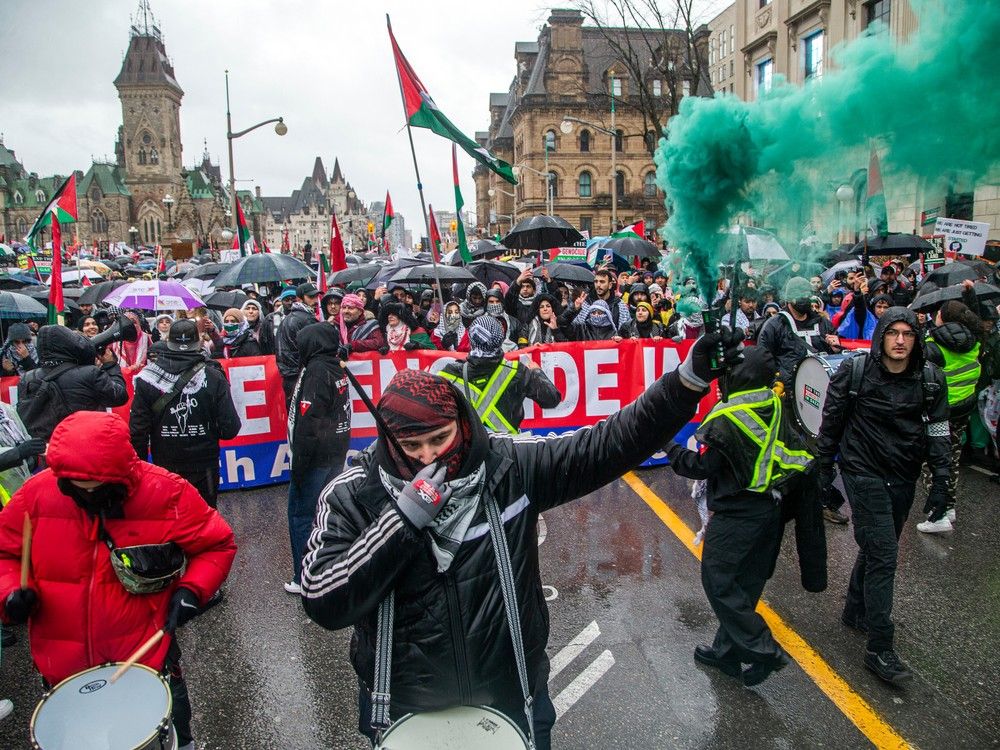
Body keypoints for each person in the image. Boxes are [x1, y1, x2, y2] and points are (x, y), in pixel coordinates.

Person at [300, 327, 743, 748]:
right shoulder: (353, 494)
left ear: (462, 425)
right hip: (404, 710)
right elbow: (321, 597)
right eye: (410, 447)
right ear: (385, 437)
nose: (427, 458)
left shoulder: (510, 465)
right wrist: (401, 521)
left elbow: (607, 444)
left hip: (511, 699)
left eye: (439, 439)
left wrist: (687, 382)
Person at [0, 411, 237, 750]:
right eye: (78, 490)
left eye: (97, 491)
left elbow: (217, 544)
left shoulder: (165, 491)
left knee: (169, 720)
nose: (88, 498)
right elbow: (5, 554)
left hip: (147, 653)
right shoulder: (35, 495)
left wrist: (192, 590)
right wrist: (9, 593)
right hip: (62, 664)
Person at [816, 307, 949, 684]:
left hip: (903, 475)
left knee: (878, 546)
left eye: (908, 334)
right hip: (862, 472)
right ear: (882, 337)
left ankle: (856, 610)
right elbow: (831, 423)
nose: (901, 341)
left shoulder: (931, 380)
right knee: (885, 554)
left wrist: (942, 483)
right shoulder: (854, 372)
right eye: (894, 333)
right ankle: (879, 647)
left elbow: (939, 433)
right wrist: (824, 471)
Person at [665, 347, 812, 686]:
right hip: (769, 509)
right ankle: (727, 653)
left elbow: (702, 466)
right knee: (745, 585)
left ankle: (764, 648)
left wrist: (668, 446)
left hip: (738, 513)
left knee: (718, 581)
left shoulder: (731, 416)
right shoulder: (772, 401)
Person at [130, 319, 242, 509]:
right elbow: (229, 429)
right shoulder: (214, 376)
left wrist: (141, 470)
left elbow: (138, 431)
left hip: (165, 465)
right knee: (204, 520)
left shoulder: (147, 378)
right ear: (198, 343)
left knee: (171, 521)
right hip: (204, 464)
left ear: (168, 342)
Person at [283, 322, 351, 594]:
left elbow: (310, 424)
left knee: (301, 515)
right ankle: (327, 567)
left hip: (316, 458)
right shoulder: (335, 365)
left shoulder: (315, 371)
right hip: (335, 452)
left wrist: (299, 466)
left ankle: (303, 577)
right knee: (326, 514)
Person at [917, 300, 983, 533]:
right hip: (964, 408)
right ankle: (949, 506)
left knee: (932, 463)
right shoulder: (974, 340)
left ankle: (939, 515)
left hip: (939, 412)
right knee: (951, 459)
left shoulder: (933, 345)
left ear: (942, 318)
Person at [440, 316, 561, 434]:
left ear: (471, 338)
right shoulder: (517, 371)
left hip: (472, 449)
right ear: (500, 338)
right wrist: (536, 372)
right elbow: (551, 399)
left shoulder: (449, 374)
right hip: (507, 449)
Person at [16, 325, 128, 441]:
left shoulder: (27, 378)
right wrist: (110, 365)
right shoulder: (90, 373)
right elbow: (119, 397)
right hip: (84, 443)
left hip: (48, 449)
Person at [277, 283, 321, 405]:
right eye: (311, 297)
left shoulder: (290, 318)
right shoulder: (306, 319)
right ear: (300, 299)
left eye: (316, 296)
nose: (315, 300)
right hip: (301, 375)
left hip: (291, 375)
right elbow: (316, 347)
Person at [110, 310, 152, 374]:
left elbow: (153, 360)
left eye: (133, 322)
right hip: (120, 378)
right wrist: (129, 369)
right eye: (126, 322)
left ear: (139, 324)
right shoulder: (114, 341)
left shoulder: (147, 338)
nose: (130, 325)